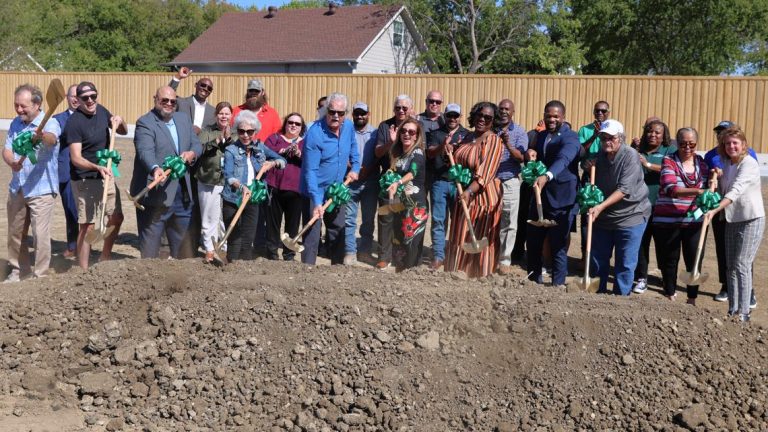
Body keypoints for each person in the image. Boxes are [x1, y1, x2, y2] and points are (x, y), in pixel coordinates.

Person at [130, 86, 201, 259]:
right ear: (155, 99)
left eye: (173, 101)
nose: (169, 104)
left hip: (183, 195)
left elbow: (196, 144)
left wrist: (192, 153)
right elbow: (144, 150)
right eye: (164, 100)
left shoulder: (183, 119)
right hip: (156, 193)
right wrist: (155, 168)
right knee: (150, 252)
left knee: (184, 249)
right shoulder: (145, 122)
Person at [66, 81, 128, 270]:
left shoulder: (101, 110)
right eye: (86, 98)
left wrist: (120, 120)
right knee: (88, 226)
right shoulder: (74, 122)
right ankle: (83, 270)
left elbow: (123, 131)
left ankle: (105, 256)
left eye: (94, 96)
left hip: (106, 174)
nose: (91, 101)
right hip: (85, 178)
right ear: (78, 100)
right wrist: (96, 167)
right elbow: (76, 158)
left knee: (116, 216)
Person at [584, 120, 650, 295]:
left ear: (620, 138)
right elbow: (591, 183)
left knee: (625, 262)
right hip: (605, 218)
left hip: (631, 216)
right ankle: (598, 296)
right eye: (603, 138)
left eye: (611, 138)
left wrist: (600, 206)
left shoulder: (630, 156)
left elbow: (624, 189)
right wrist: (587, 167)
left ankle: (620, 300)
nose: (607, 141)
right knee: (598, 260)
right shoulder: (599, 157)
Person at [3, 84, 60, 282]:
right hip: (18, 186)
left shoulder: (50, 123)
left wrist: (41, 135)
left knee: (40, 234)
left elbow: (52, 140)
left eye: (23, 106)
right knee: (15, 233)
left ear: (36, 104)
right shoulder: (15, 124)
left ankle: (40, 276)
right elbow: (7, 149)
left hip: (42, 189)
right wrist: (11, 161)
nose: (19, 110)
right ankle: (20, 271)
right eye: (16, 105)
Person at [709, 126, 764, 322]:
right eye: (727, 143)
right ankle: (732, 310)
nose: (731, 146)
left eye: (735, 143)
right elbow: (723, 190)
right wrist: (715, 179)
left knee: (742, 264)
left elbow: (736, 191)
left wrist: (715, 210)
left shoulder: (749, 164)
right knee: (730, 266)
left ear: (743, 145)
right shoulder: (726, 164)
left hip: (751, 219)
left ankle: (744, 312)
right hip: (732, 219)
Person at [444, 102, 505, 278]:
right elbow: (455, 162)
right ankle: (456, 275)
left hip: (483, 199)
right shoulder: (467, 137)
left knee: (479, 239)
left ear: (494, 121)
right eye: (479, 115)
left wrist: (470, 191)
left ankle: (479, 279)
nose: (482, 119)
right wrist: (449, 150)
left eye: (488, 117)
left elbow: (486, 172)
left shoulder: (493, 140)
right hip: (463, 195)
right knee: (459, 237)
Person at [299, 92, 360, 265]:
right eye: (332, 111)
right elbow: (310, 171)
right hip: (314, 190)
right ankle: (307, 273)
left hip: (337, 188)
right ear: (326, 111)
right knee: (312, 233)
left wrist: (355, 167)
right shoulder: (315, 134)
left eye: (340, 113)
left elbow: (354, 149)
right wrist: (317, 202)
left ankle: (336, 273)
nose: (335, 116)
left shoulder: (348, 127)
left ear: (345, 114)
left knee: (337, 230)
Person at [652, 127, 710, 304]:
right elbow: (671, 189)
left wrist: (716, 175)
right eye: (683, 143)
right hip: (668, 219)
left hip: (694, 220)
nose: (687, 147)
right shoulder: (668, 161)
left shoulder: (702, 164)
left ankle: (692, 297)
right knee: (670, 258)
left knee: (694, 259)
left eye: (691, 144)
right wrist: (699, 191)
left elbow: (709, 186)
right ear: (677, 143)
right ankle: (670, 293)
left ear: (696, 144)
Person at [525, 100, 580, 287]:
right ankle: (533, 279)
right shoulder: (541, 137)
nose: (551, 119)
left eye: (556, 116)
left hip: (562, 199)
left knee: (558, 245)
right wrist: (531, 156)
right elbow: (540, 159)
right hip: (540, 197)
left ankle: (558, 284)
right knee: (533, 242)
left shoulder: (571, 137)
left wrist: (547, 176)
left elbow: (564, 159)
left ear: (563, 117)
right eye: (548, 115)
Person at [222, 110, 286, 262]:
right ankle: (231, 267)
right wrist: (241, 187)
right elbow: (228, 176)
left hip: (253, 199)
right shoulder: (230, 150)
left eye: (249, 131)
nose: (245, 135)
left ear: (255, 131)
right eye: (241, 131)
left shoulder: (261, 148)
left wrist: (273, 163)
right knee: (235, 238)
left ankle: (244, 271)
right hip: (233, 199)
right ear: (237, 131)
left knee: (247, 237)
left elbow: (283, 161)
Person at [632, 120, 676, 294]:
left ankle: (666, 280)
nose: (653, 135)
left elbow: (671, 169)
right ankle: (641, 277)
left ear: (664, 135)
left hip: (661, 207)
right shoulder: (638, 150)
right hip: (640, 206)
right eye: (650, 131)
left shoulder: (669, 150)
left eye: (658, 132)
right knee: (641, 244)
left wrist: (647, 164)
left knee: (663, 245)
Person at [374, 94, 414, 269]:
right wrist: (391, 142)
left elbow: (420, 152)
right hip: (388, 180)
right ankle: (384, 255)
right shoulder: (385, 126)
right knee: (385, 216)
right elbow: (377, 153)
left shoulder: (415, 126)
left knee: (404, 218)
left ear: (410, 109)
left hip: (407, 180)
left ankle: (401, 255)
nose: (401, 111)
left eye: (405, 108)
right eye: (398, 107)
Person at [427, 103, 468, 270]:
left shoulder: (467, 135)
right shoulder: (436, 134)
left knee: (459, 220)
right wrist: (443, 145)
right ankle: (438, 255)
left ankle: (455, 254)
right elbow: (430, 153)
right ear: (445, 116)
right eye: (449, 115)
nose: (452, 119)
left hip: (459, 183)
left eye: (455, 116)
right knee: (438, 220)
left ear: (460, 117)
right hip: (440, 182)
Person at [383, 118, 428, 271]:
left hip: (415, 207)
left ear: (417, 136)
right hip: (400, 205)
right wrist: (393, 142)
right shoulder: (398, 154)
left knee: (411, 245)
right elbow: (392, 172)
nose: (407, 134)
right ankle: (400, 278)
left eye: (411, 132)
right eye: (403, 131)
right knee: (398, 243)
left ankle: (410, 279)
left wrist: (398, 183)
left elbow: (413, 172)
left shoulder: (418, 152)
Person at [264, 113, 306, 261]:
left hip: (296, 190)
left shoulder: (305, 142)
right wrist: (281, 151)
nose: (293, 125)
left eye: (297, 124)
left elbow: (311, 160)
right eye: (290, 122)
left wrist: (299, 153)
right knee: (273, 223)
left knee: (292, 225)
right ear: (285, 124)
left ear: (302, 127)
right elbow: (264, 152)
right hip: (274, 187)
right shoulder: (274, 138)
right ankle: (272, 253)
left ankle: (289, 254)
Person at [195, 102, 234, 263]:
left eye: (227, 113)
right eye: (221, 113)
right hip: (208, 179)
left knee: (224, 218)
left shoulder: (237, 133)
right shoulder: (207, 131)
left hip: (228, 182)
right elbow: (200, 149)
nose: (224, 116)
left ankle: (223, 249)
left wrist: (229, 138)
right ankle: (209, 250)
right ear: (216, 115)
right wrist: (218, 139)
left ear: (231, 116)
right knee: (208, 217)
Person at [495, 98, 528, 275]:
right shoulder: (491, 130)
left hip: (510, 181)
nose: (504, 111)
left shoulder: (520, 132)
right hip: (491, 181)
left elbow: (521, 157)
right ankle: (489, 256)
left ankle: (505, 259)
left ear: (513, 112)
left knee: (509, 221)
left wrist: (507, 143)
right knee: (490, 219)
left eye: (507, 109)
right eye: (501, 108)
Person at [344, 102, 378, 265]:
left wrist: (367, 169)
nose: (360, 116)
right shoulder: (346, 131)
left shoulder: (375, 133)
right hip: (350, 181)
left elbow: (379, 155)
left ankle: (364, 251)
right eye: (357, 113)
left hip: (370, 181)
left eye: (362, 113)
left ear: (368, 114)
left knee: (368, 220)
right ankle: (350, 251)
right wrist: (350, 166)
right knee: (349, 219)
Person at [577, 101, 610, 267]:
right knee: (586, 217)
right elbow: (581, 150)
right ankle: (585, 255)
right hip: (588, 178)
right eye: (597, 111)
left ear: (608, 112)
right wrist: (595, 135)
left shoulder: (613, 128)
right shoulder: (585, 130)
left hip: (605, 179)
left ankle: (600, 256)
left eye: (603, 111)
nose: (600, 114)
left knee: (604, 217)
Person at [52, 84, 80, 258]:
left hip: (89, 172)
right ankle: (72, 245)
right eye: (73, 96)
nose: (76, 99)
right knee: (71, 210)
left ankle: (85, 245)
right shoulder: (57, 119)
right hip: (67, 172)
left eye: (79, 95)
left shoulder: (90, 117)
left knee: (87, 211)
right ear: (67, 98)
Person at [168, 66, 216, 134]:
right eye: (203, 85)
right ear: (196, 85)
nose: (206, 89)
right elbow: (167, 94)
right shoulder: (181, 103)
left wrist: (201, 132)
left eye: (209, 88)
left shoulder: (213, 112)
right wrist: (178, 77)